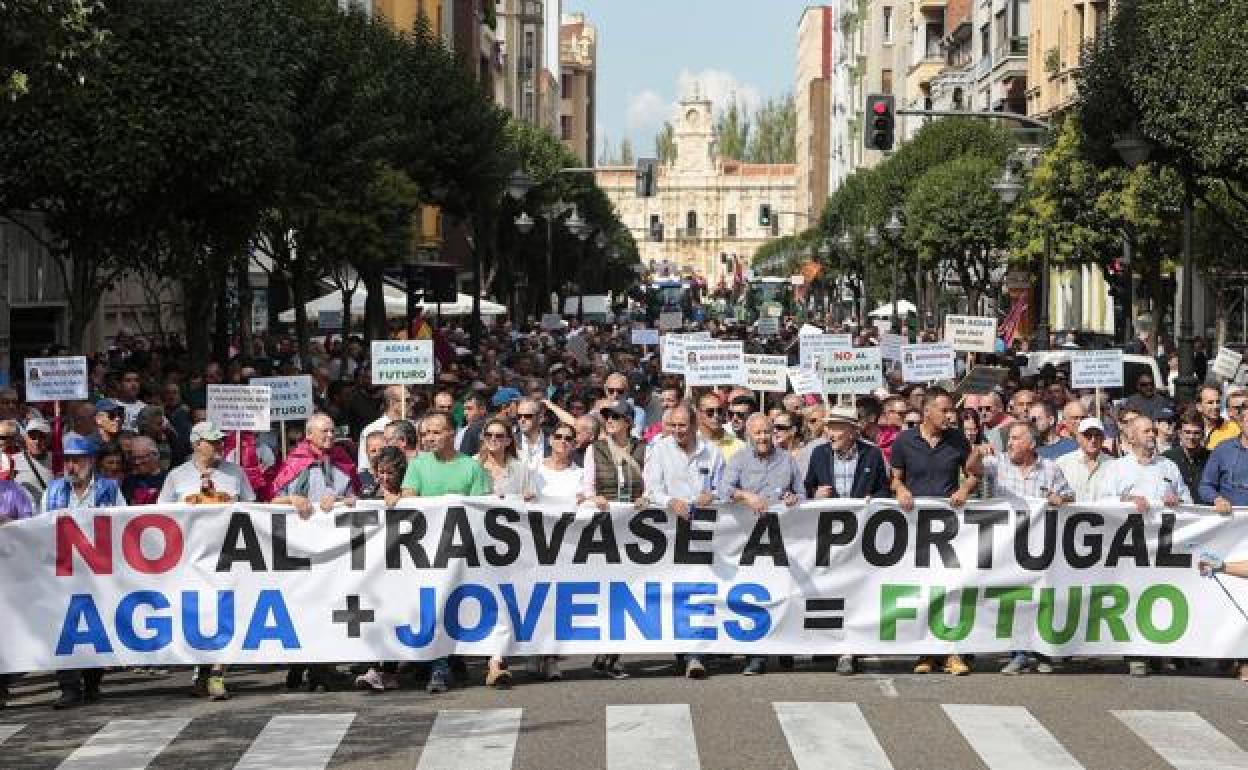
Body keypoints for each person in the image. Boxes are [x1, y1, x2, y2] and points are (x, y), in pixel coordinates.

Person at [889, 388, 982, 677]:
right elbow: (895, 478)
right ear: (927, 411)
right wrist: (900, 490)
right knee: (923, 589)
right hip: (915, 528)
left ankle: (952, 652)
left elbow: (974, 474)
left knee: (950, 587)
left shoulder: (957, 439)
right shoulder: (904, 441)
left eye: (952, 410)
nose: (950, 416)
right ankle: (927, 652)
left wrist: (965, 489)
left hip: (949, 529)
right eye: (945, 410)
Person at [399, 412, 491, 693]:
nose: (429, 438)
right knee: (433, 605)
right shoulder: (418, 465)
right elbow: (409, 499)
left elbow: (482, 509)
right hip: (426, 552)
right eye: (426, 433)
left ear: (452, 433)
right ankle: (439, 666)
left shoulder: (471, 468)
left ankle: (451, 659)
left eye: (436, 432)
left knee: (454, 606)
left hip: (461, 552)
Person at [42, 436, 126, 709]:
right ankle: (68, 687)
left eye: (77, 460)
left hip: (98, 569)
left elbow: (124, 522)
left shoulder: (109, 489)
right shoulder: (53, 491)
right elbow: (40, 527)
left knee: (95, 624)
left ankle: (92, 682)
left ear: (90, 462)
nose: (71, 466)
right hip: (64, 569)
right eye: (67, 460)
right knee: (64, 627)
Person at [643, 403, 725, 679]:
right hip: (669, 532)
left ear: (694, 425)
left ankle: (695, 654)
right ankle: (685, 651)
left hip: (704, 531)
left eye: (683, 426)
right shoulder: (659, 450)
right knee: (675, 592)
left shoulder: (712, 452)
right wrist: (671, 502)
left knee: (698, 588)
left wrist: (713, 495)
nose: (678, 431)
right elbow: (651, 489)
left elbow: (723, 487)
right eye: (673, 425)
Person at [986, 422, 1074, 675]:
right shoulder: (998, 463)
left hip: (1040, 546)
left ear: (1031, 444)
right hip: (1006, 546)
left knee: (1040, 598)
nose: (1010, 443)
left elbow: (1070, 496)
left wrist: (1060, 499)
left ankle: (1042, 653)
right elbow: (973, 469)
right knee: (1014, 598)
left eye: (1015, 438)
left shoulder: (1051, 468)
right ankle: (1019, 654)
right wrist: (976, 452)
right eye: (1009, 438)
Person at [720, 412, 803, 677]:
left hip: (781, 539)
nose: (763, 437)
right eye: (757, 433)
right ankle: (756, 656)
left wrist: (794, 498)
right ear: (748, 435)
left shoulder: (787, 460)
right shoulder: (738, 459)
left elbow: (803, 493)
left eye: (767, 432)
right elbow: (723, 490)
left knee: (783, 590)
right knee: (756, 595)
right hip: (750, 542)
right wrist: (745, 496)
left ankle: (785, 647)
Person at [355, 446, 409, 693]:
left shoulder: (410, 493)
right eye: (381, 472)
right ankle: (377, 668)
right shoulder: (368, 492)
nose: (385, 478)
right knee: (376, 616)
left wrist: (402, 500)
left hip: (402, 566)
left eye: (390, 473)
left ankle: (389, 671)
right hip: (374, 568)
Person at [159, 422, 256, 504]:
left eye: (221, 441)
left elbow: (250, 505)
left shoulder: (236, 471)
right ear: (197, 444)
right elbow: (163, 509)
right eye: (213, 441)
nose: (220, 445)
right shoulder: (176, 475)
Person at [1200, 396, 1248, 516]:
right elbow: (1205, 486)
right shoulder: (1223, 449)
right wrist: (1217, 499)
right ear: (1240, 423)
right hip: (1232, 521)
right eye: (1246, 421)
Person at [476, 416, 535, 500]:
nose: (493, 439)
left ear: (508, 441)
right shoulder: (472, 464)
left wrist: (529, 497)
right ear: (483, 437)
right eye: (488, 435)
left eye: (499, 436)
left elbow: (532, 500)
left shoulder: (521, 470)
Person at [1055, 418, 1113, 502]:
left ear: (1103, 438)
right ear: (1078, 437)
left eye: (1097, 435)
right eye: (1087, 435)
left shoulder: (1113, 465)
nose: (1093, 440)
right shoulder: (1062, 463)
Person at [357, 386, 407, 473]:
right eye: (407, 400)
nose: (412, 404)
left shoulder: (414, 426)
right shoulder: (371, 429)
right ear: (393, 403)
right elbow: (364, 468)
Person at [1164, 409, 1209, 503]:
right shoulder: (1167, 458)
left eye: (1196, 433)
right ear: (1180, 434)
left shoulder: (1212, 458)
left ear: (1202, 434)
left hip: (1207, 509)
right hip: (1180, 510)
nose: (1191, 437)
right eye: (1187, 432)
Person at [697, 392, 744, 461]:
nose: (716, 415)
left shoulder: (739, 447)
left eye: (719, 411)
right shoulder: (690, 444)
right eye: (710, 412)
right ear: (699, 414)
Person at [121, 436, 168, 505]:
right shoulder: (129, 481)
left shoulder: (169, 478)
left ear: (155, 455)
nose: (137, 462)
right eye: (134, 458)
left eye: (141, 457)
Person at [1200, 385, 1241, 450]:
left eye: (1218, 402)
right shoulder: (1192, 427)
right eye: (1210, 403)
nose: (1216, 406)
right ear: (1199, 406)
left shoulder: (1233, 428)